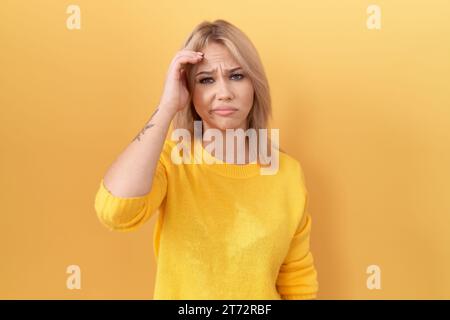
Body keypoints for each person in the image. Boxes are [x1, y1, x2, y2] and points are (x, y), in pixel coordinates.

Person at [94, 19, 318, 300]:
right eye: (206, 80)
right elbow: (115, 212)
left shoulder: (287, 173)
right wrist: (166, 108)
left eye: (237, 76)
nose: (224, 93)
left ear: (254, 84)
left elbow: (297, 280)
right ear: (189, 92)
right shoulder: (173, 160)